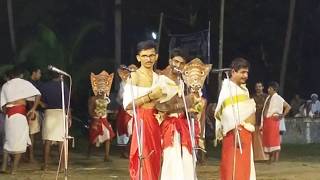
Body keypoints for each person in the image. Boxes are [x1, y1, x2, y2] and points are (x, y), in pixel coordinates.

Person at [122, 40, 165, 179]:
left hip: (157, 121)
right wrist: (150, 96)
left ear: (156, 56)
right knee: (143, 155)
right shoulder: (134, 76)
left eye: (151, 55)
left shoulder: (159, 78)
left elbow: (163, 101)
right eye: (145, 55)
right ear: (138, 58)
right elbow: (128, 104)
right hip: (142, 120)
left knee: (156, 156)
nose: (148, 59)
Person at [156, 48, 196, 179]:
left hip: (182, 123)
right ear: (170, 61)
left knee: (187, 156)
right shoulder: (161, 80)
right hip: (168, 124)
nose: (178, 65)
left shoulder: (183, 82)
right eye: (176, 61)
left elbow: (184, 104)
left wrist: (190, 104)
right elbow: (161, 106)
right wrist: (185, 103)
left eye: (182, 63)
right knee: (171, 157)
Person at [215, 58, 256, 180]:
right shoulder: (228, 89)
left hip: (246, 134)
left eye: (247, 72)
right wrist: (234, 130)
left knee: (245, 168)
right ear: (233, 71)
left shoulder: (244, 89)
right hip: (234, 135)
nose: (246, 75)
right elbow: (225, 113)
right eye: (243, 72)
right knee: (234, 169)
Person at [0, 66, 41, 174]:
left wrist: (9, 110)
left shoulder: (5, 85)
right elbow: (38, 94)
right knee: (20, 141)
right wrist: (33, 109)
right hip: (19, 116)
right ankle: (13, 170)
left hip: (9, 117)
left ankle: (3, 167)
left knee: (8, 141)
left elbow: (2, 105)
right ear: (21, 75)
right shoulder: (24, 83)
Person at [41, 72, 71, 171]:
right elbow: (67, 103)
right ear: (59, 76)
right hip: (60, 113)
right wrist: (69, 117)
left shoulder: (44, 86)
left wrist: (43, 104)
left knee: (48, 141)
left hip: (49, 112)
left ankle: (45, 165)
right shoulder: (63, 86)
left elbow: (39, 99)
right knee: (61, 140)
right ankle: (62, 166)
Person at [87, 70, 115, 161]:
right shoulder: (92, 99)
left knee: (108, 137)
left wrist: (111, 112)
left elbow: (106, 110)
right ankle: (89, 152)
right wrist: (95, 117)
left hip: (104, 120)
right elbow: (90, 111)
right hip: (96, 120)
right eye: (100, 87)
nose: (102, 89)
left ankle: (106, 156)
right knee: (93, 139)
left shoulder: (106, 99)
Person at [261, 81, 291, 163]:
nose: (268, 90)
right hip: (266, 121)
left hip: (273, 120)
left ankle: (274, 159)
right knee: (268, 140)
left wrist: (282, 115)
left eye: (270, 88)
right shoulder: (268, 97)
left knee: (273, 140)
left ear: (274, 89)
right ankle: (270, 158)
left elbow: (288, 107)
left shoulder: (278, 98)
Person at [26, 66, 45, 162]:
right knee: (32, 135)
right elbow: (28, 98)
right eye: (39, 73)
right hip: (33, 111)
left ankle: (37, 156)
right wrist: (32, 110)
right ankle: (31, 157)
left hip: (40, 111)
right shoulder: (28, 83)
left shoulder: (39, 83)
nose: (40, 75)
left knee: (39, 135)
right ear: (34, 72)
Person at [251, 82, 269, 161]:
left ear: (262, 87)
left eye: (260, 86)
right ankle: (256, 156)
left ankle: (266, 156)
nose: (258, 88)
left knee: (264, 139)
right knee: (256, 139)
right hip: (255, 120)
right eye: (257, 86)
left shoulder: (266, 97)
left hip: (264, 120)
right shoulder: (252, 97)